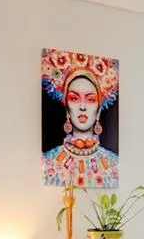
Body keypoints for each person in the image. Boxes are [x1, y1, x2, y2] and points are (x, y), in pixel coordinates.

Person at [42, 52, 118, 187]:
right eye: (74, 98)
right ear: (67, 107)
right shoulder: (48, 163)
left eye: (90, 99)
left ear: (98, 109)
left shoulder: (114, 164)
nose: (82, 107)